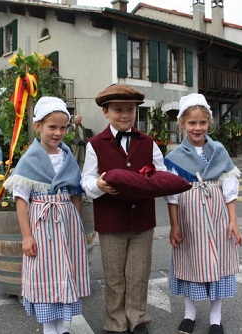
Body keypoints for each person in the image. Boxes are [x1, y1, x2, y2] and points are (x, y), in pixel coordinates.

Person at [81, 83, 166, 334]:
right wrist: (99, 185)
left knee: (139, 274)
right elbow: (86, 180)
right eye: (118, 109)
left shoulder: (148, 142)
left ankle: (137, 317)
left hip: (142, 220)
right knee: (115, 276)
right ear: (106, 112)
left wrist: (154, 182)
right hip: (111, 221)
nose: (125, 115)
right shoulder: (95, 144)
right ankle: (115, 321)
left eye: (130, 109)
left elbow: (162, 174)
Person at [4, 96, 90, 334]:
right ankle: (48, 328)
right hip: (42, 224)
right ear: (38, 126)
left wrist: (78, 225)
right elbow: (21, 200)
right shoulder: (30, 160)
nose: (58, 133)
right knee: (45, 272)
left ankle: (62, 327)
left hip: (67, 223)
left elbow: (75, 193)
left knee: (65, 271)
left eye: (63, 128)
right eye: (52, 127)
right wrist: (26, 236)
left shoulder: (67, 157)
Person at [164, 93, 242, 334]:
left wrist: (233, 221)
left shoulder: (218, 150)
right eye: (192, 123)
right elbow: (172, 196)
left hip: (217, 215)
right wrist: (174, 225)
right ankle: (189, 313)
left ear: (208, 123)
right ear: (182, 125)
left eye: (202, 123)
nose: (197, 128)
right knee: (190, 261)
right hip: (190, 218)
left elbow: (229, 190)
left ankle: (215, 318)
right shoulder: (175, 157)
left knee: (217, 263)